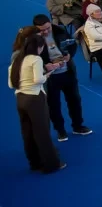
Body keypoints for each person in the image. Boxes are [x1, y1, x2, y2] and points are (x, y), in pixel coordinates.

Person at [9, 33, 66, 174]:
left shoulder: (17, 60)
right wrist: (47, 75)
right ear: (39, 47)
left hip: (20, 99)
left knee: (27, 132)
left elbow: (11, 84)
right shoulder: (36, 59)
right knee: (42, 132)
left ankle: (34, 162)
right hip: (35, 98)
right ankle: (51, 164)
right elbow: (38, 80)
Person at [33, 15, 91, 142]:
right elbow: (31, 57)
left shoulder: (60, 30)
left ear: (50, 23)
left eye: (48, 28)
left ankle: (78, 126)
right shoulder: (33, 39)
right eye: (42, 30)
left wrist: (69, 55)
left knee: (75, 100)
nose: (46, 31)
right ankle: (60, 130)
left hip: (67, 72)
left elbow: (72, 44)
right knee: (54, 105)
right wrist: (44, 65)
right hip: (50, 77)